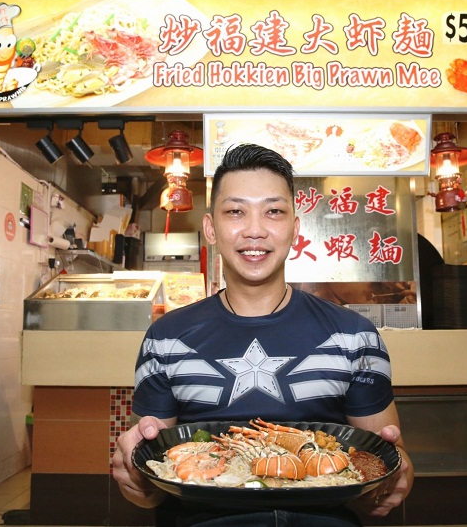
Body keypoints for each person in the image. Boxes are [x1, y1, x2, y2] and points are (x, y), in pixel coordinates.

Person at [112, 143, 413, 526]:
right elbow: (154, 474)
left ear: (294, 228)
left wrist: (395, 478)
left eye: (273, 212)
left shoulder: (354, 336)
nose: (255, 230)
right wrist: (136, 481)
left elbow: (386, 462)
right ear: (210, 228)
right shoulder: (167, 337)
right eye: (235, 211)